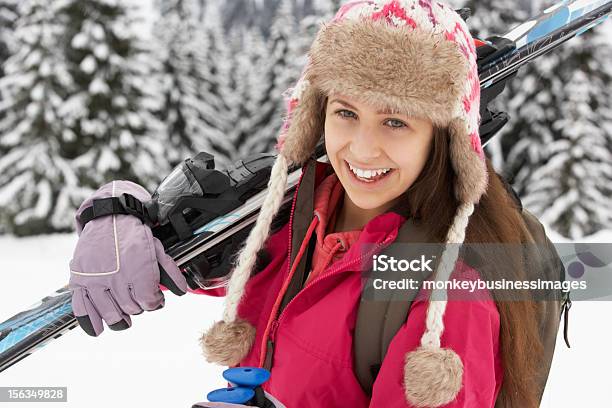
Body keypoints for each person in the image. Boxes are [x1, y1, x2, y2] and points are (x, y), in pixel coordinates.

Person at [69, 1, 549, 407]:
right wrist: (116, 211)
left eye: (396, 122)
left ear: (442, 139)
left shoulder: (451, 296)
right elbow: (191, 256)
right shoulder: (289, 213)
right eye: (346, 112)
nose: (361, 149)